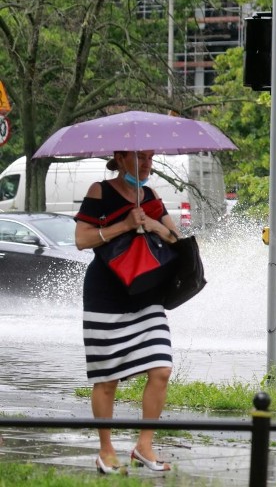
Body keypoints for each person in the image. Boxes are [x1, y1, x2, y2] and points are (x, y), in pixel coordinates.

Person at [74, 150, 180, 475]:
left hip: (144, 291)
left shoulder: (151, 196)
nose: (147, 164)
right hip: (105, 294)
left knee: (161, 368)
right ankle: (106, 451)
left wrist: (148, 222)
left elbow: (175, 237)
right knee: (107, 379)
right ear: (121, 159)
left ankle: (144, 445)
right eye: (141, 159)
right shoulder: (99, 191)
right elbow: (81, 240)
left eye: (150, 158)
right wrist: (123, 225)